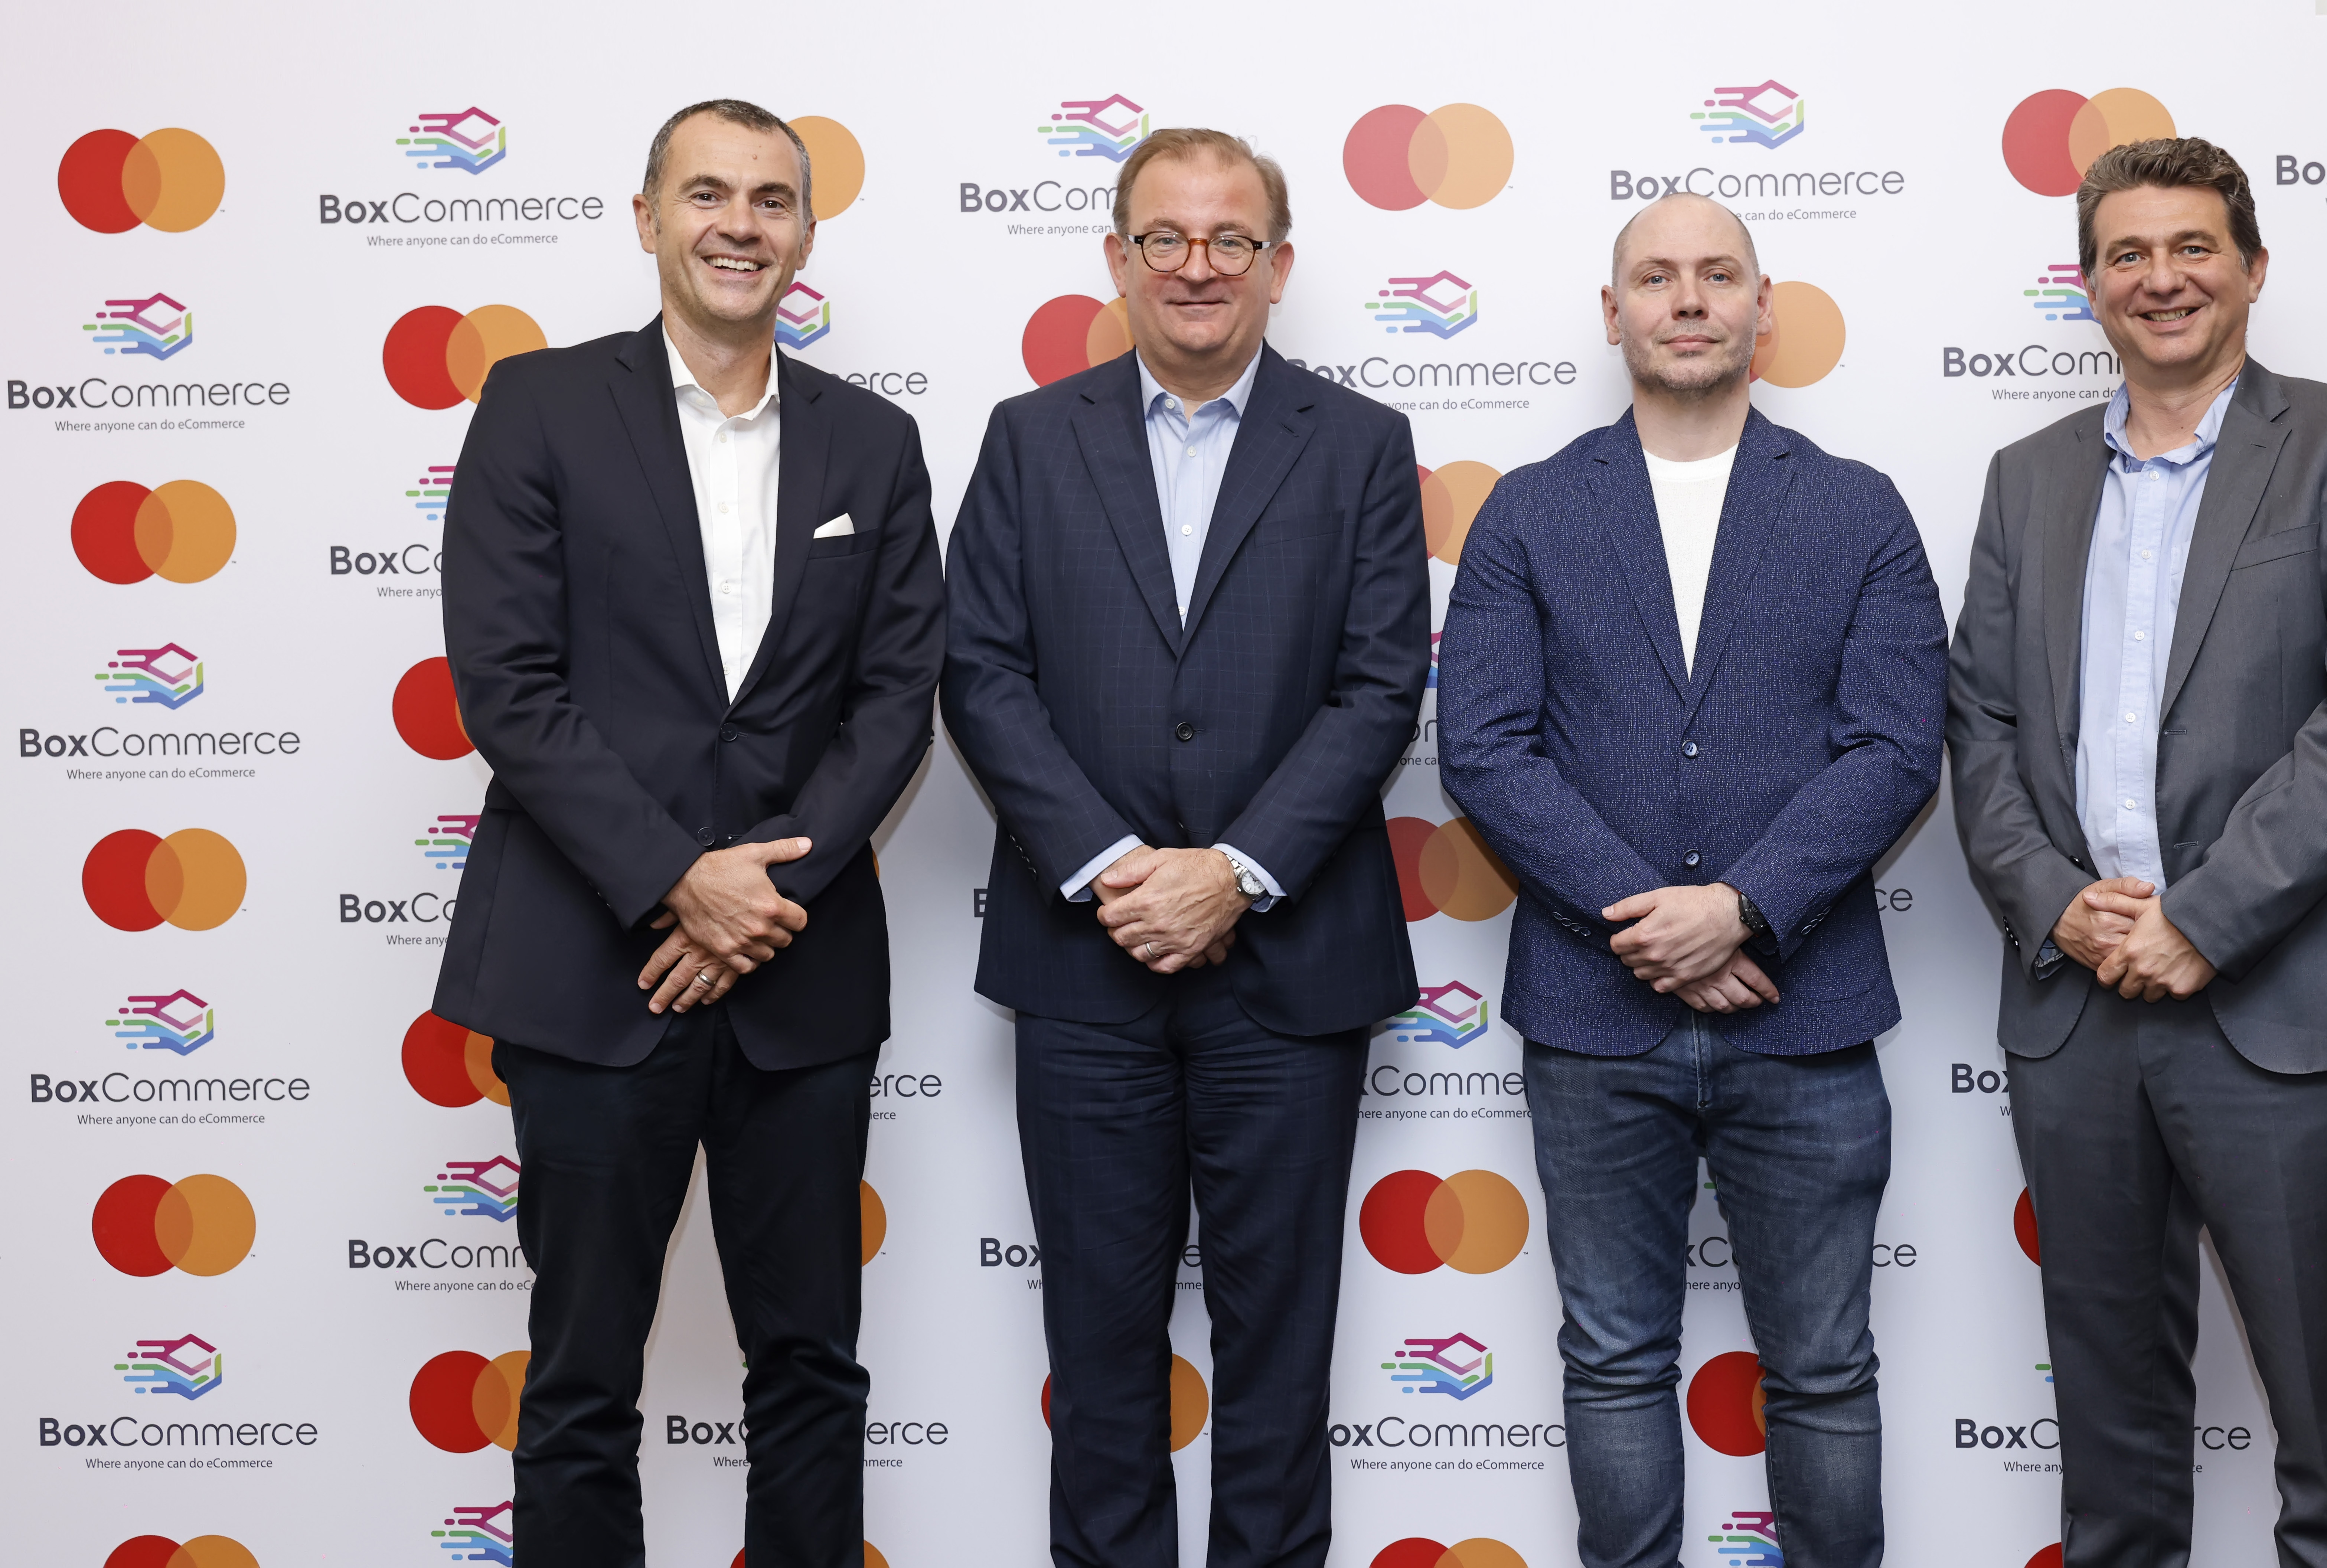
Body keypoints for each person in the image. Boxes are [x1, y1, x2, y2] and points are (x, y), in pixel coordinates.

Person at [430, 99, 944, 1568]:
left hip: (801, 972)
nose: (740, 224)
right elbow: (508, 682)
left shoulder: (875, 443)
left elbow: (896, 698)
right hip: (589, 969)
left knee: (811, 1371)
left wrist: (757, 900)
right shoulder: (536, 404)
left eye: (772, 200)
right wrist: (674, 880)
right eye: (707, 194)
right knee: (582, 1378)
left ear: (807, 234)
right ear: (648, 217)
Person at [1946, 137, 2327, 1568]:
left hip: (2290, 1007)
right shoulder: (2026, 478)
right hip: (2080, 1010)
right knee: (2109, 1449)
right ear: (2091, 285)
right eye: (2128, 254)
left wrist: (2205, 919)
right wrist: (2060, 904)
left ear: (2252, 268)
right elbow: (1980, 725)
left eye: (2192, 248)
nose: (2160, 279)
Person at [938, 128, 1430, 1568]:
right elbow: (982, 674)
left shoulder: (1360, 445)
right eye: (1165, 237)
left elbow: (1378, 687)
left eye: (1230, 239)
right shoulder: (1029, 439)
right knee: (1098, 1363)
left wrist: (1232, 873)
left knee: (1280, 1362)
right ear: (1117, 258)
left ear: (1279, 264)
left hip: (1291, 968)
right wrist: (1112, 866)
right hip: (1082, 971)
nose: (1197, 266)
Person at [1437, 193, 1944, 1568]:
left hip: (1808, 1014)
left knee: (1825, 1367)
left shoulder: (1857, 508)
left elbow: (1897, 747)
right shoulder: (1531, 510)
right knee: (1613, 1360)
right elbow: (1484, 751)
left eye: (1719, 274)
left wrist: (1741, 911)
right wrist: (1653, 927)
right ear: (1614, 313)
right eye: (1656, 278)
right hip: (1594, 1021)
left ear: (1763, 307)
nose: (1689, 300)